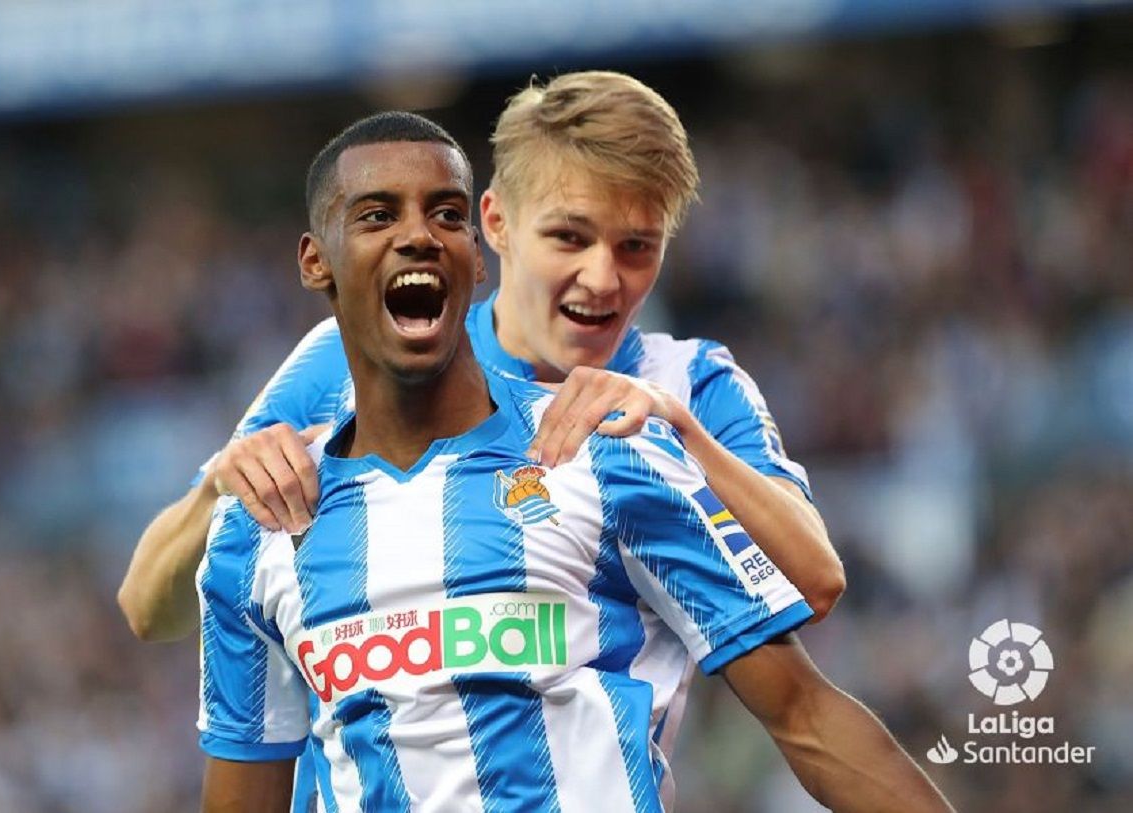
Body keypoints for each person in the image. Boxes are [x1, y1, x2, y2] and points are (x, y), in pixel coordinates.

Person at [197, 112, 953, 812]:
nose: (419, 236)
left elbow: (805, 714)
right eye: (376, 215)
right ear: (314, 261)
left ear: (480, 252)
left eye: (446, 215)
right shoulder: (259, 522)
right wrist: (214, 483)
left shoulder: (603, 450)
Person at [119, 71, 843, 647]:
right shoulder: (355, 357)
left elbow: (816, 585)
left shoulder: (689, 385)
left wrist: (679, 432)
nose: (603, 277)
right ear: (494, 222)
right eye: (569, 238)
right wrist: (220, 486)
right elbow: (149, 607)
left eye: (636, 246)